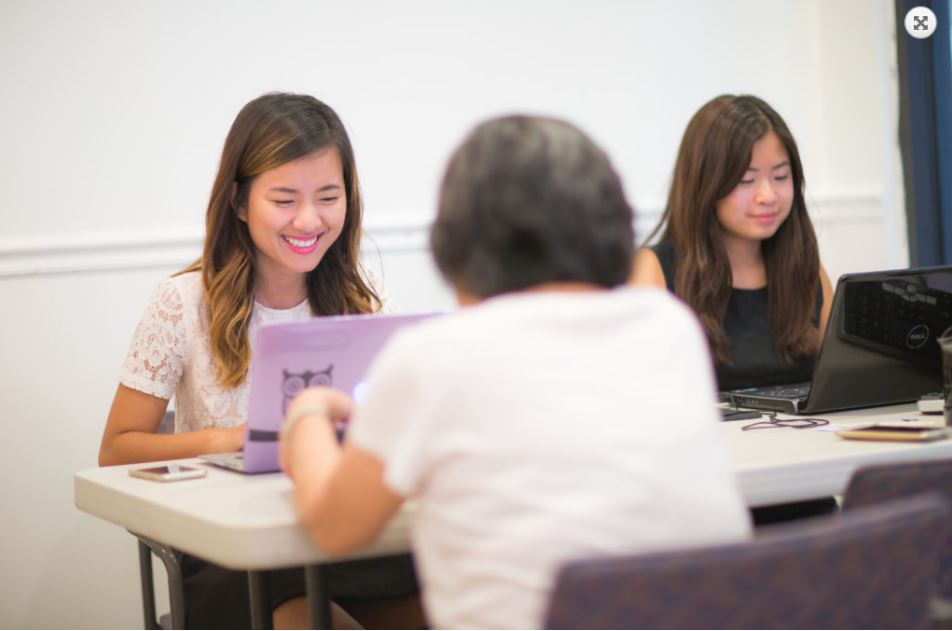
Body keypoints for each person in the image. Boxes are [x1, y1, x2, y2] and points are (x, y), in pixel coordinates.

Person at [279, 115, 752, 629]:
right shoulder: (669, 327)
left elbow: (335, 527)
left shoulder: (433, 358)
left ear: (457, 244)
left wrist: (306, 413)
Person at [99, 93, 422, 629]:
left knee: (454, 567)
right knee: (294, 595)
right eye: (283, 199)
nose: (308, 219)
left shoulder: (365, 300)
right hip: (233, 551)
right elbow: (116, 451)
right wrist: (229, 440)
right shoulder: (181, 303)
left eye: (328, 196)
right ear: (239, 200)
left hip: (335, 528)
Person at [631, 94, 836, 524]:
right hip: (704, 505)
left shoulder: (807, 272)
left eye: (780, 177)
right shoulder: (655, 272)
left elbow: (841, 386)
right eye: (746, 181)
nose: (767, 196)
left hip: (803, 492)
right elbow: (636, 410)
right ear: (706, 184)